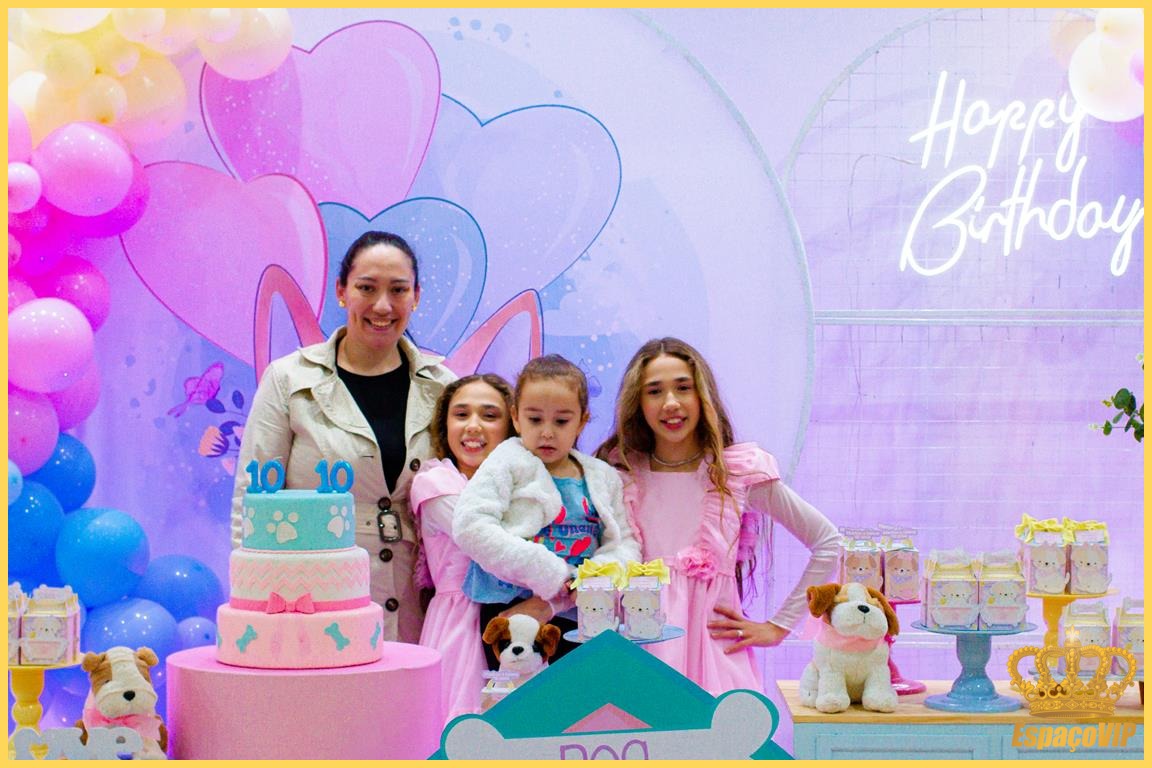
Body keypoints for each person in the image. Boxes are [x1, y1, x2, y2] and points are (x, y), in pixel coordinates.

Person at [232, 231, 456, 644]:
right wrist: (254, 600)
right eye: (366, 288)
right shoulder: (288, 380)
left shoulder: (445, 388)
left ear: (416, 297)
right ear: (341, 291)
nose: (383, 306)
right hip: (317, 604)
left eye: (398, 290)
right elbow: (252, 499)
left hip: (421, 608)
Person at [596, 337, 840, 695]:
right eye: (654, 391)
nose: (671, 402)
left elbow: (828, 543)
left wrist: (779, 626)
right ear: (638, 402)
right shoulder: (620, 474)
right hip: (637, 654)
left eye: (684, 388)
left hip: (714, 657)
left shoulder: (736, 475)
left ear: (703, 395)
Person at [453, 354, 642, 667]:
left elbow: (625, 544)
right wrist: (546, 572)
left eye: (561, 421)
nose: (547, 432)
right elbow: (470, 526)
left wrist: (596, 578)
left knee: (583, 693)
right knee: (522, 692)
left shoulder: (602, 475)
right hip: (512, 608)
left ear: (582, 420)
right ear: (515, 417)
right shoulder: (505, 462)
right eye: (535, 419)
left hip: (582, 613)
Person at [409, 374, 516, 723]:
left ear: (511, 425)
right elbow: (491, 543)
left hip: (516, 619)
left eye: (489, 415)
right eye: (461, 414)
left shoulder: (522, 483)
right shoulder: (435, 484)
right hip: (461, 623)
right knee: (464, 724)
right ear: (445, 425)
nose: (473, 426)